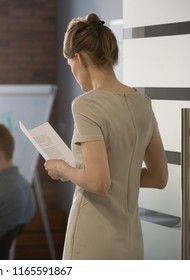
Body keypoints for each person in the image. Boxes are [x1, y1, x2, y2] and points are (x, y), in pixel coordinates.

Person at [44, 13, 168, 260]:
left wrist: (61, 168)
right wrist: (121, 174)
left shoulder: (86, 105)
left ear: (78, 59)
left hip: (93, 237)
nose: (74, 73)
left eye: (71, 66)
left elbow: (98, 182)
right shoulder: (143, 104)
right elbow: (158, 177)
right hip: (132, 239)